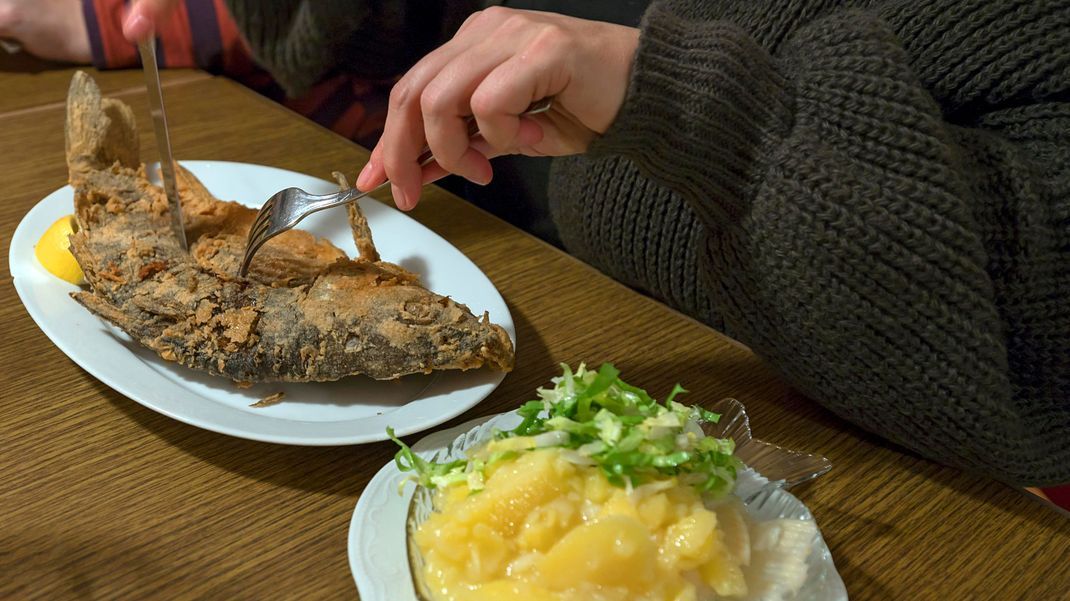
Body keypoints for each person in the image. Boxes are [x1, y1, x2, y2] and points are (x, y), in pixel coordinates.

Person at [70, 1, 1070, 489]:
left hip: (771, 442)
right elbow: (369, 25)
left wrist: (704, 116)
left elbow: (1036, 339)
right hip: (480, 249)